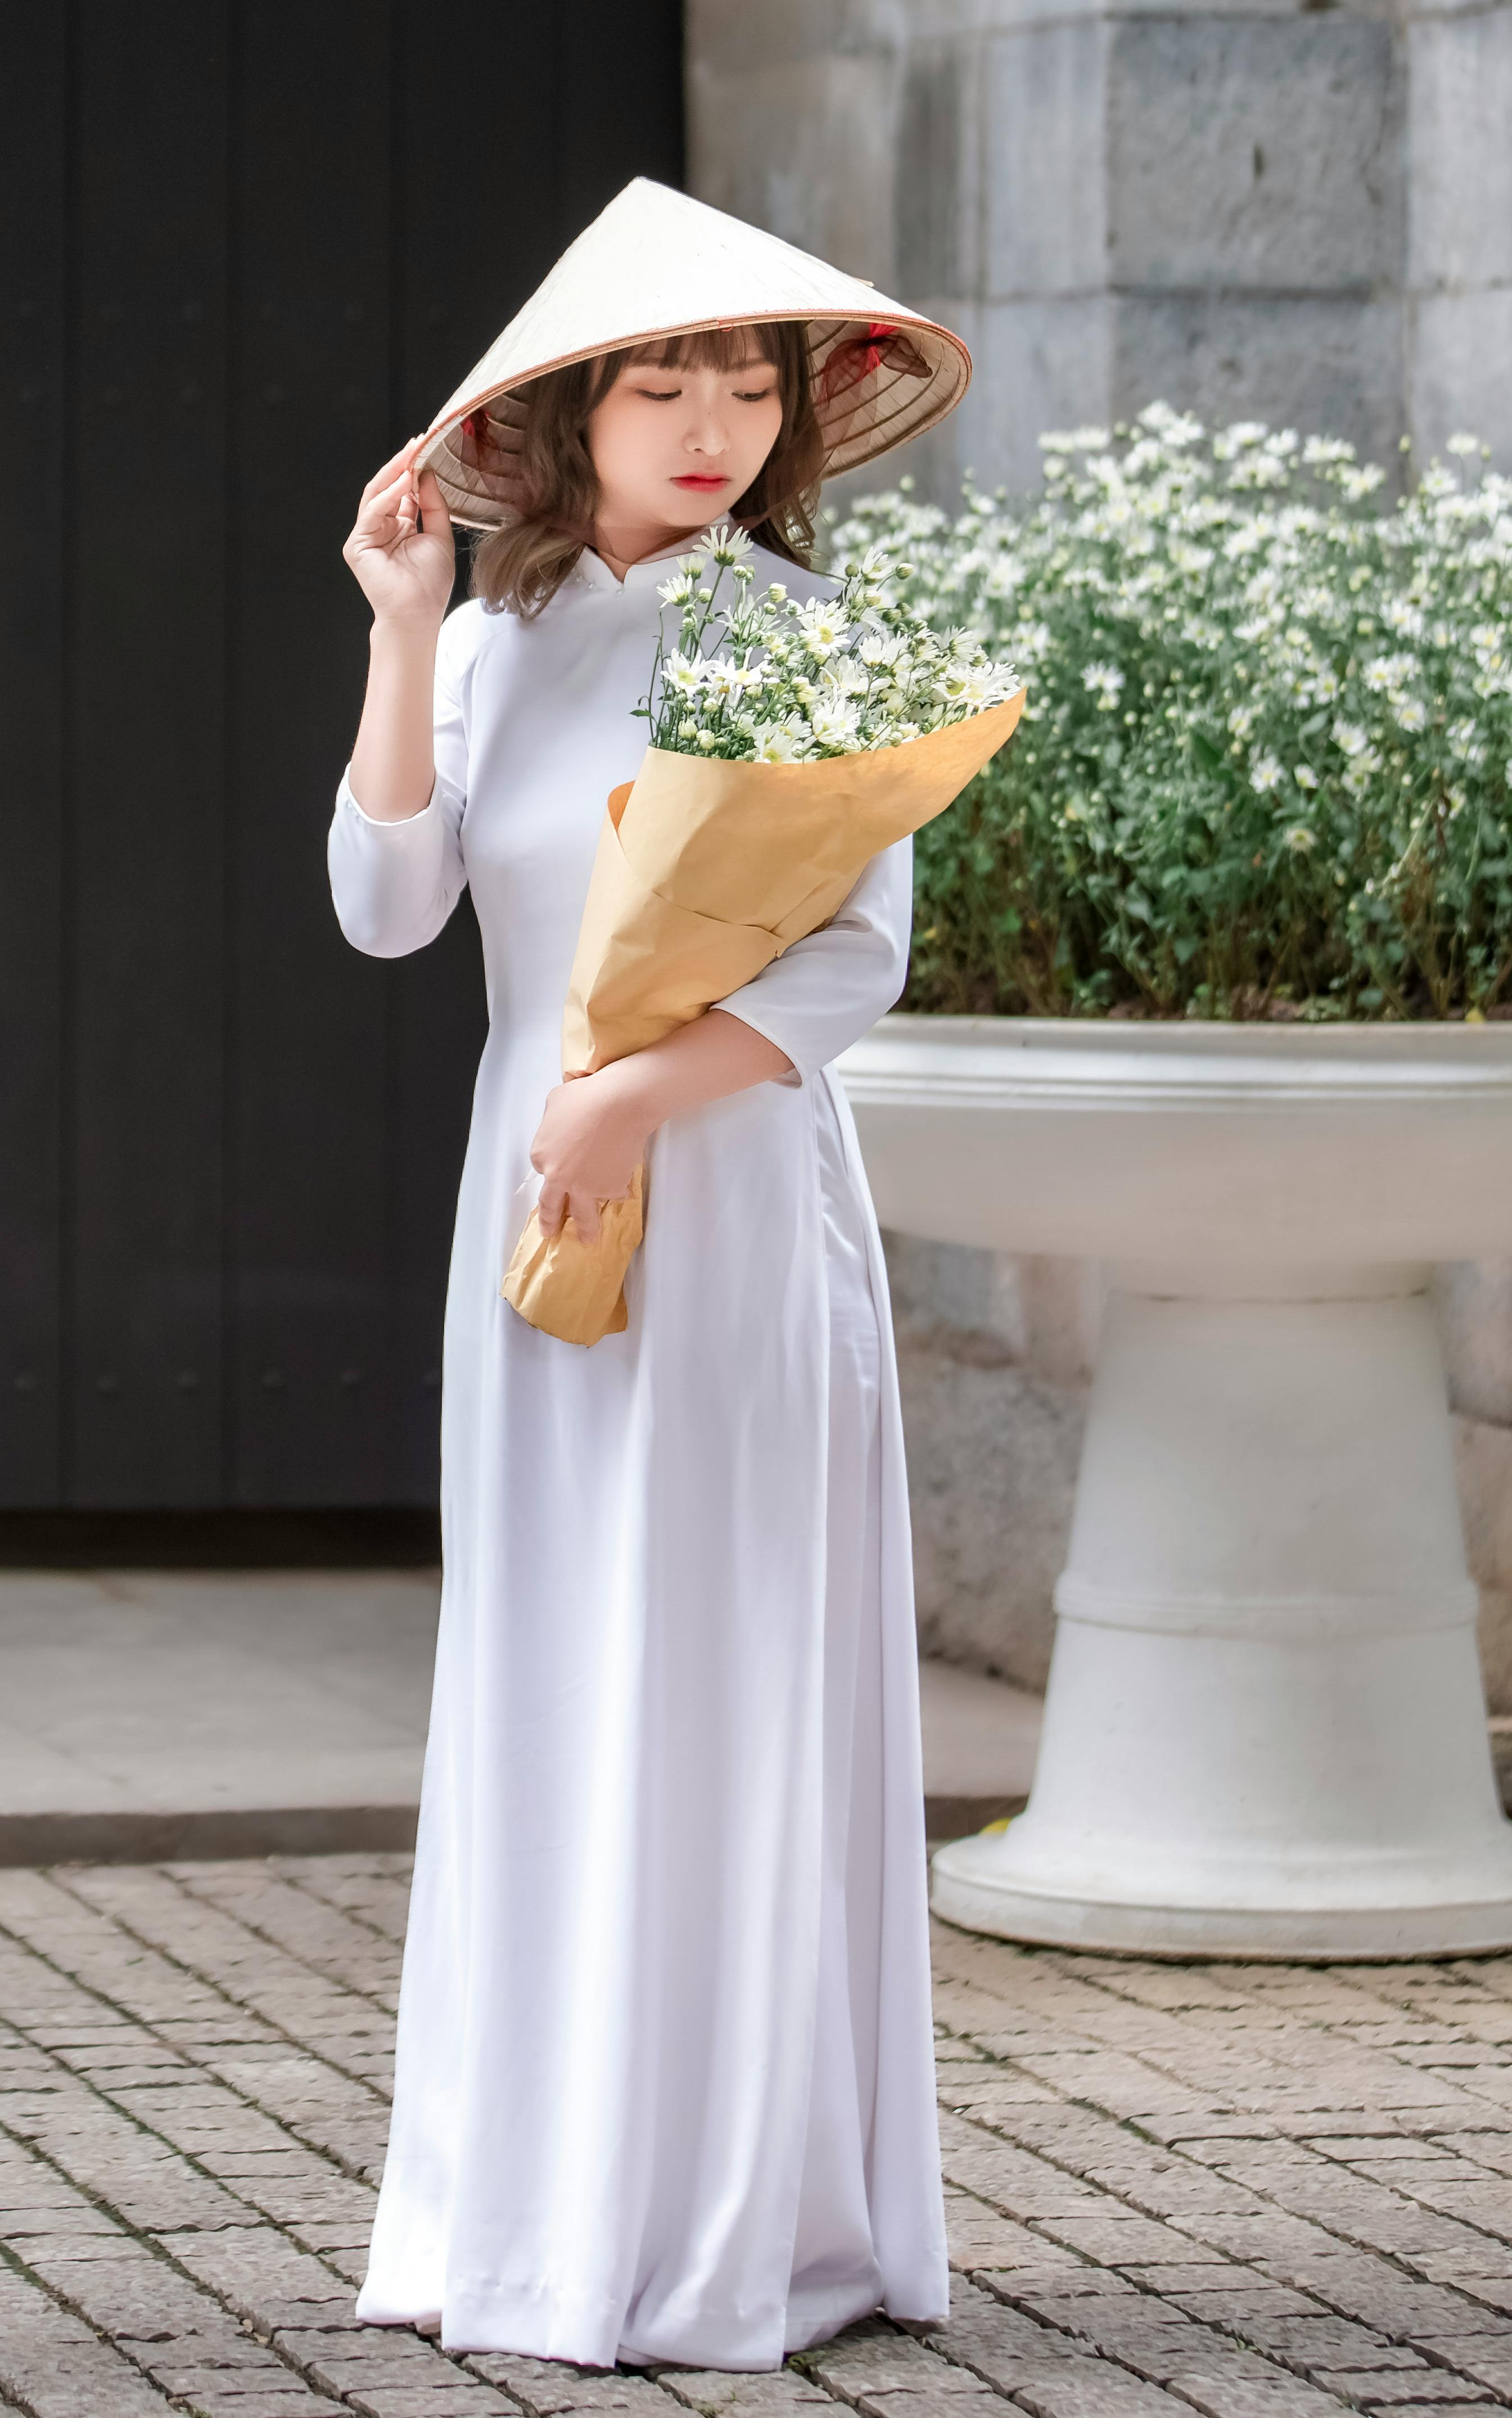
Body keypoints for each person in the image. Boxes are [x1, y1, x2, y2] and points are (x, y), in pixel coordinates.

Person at [328, 178, 969, 2371]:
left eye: (745, 382)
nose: (709, 421)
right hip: (533, 1219)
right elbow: (387, 911)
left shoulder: (808, 633)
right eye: (663, 378)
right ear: (573, 411)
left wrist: (629, 1097)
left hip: (730, 1206)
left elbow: (855, 957)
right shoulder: (498, 643)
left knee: (717, 1668)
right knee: (544, 1667)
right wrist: (403, 627)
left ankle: (723, 2221)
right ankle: (522, 2205)